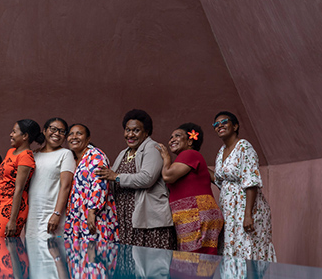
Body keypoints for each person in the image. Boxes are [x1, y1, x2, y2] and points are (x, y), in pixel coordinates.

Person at [96, 109, 175, 250]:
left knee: (150, 265)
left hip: (148, 221)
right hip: (126, 219)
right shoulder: (124, 153)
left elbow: (147, 178)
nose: (130, 134)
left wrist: (116, 176)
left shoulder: (152, 148)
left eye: (136, 130)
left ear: (146, 132)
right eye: (127, 130)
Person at [212, 111, 276, 261]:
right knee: (232, 249)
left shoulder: (244, 147)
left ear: (235, 126)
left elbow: (251, 182)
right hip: (229, 211)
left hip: (245, 208)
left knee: (248, 248)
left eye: (224, 122)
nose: (219, 125)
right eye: (216, 124)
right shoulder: (221, 152)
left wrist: (248, 215)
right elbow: (220, 181)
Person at [156, 123, 224, 254]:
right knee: (199, 260)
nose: (172, 140)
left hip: (196, 214)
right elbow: (214, 178)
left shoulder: (189, 154)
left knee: (193, 260)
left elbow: (168, 176)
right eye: (171, 137)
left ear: (190, 141)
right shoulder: (188, 159)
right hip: (192, 214)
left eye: (178, 136)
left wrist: (166, 157)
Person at [64, 123, 118, 242]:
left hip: (94, 215)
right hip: (77, 215)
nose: (74, 137)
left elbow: (99, 184)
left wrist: (92, 211)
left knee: (95, 253)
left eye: (79, 133)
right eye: (70, 134)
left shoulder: (96, 155)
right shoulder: (73, 158)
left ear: (88, 139)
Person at [0, 119, 42, 237]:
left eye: (14, 132)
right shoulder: (11, 151)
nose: (11, 135)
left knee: (3, 245)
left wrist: (12, 220)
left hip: (10, 208)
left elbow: (19, 189)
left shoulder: (26, 157)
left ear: (25, 136)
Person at [25, 117, 75, 239]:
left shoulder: (65, 154)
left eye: (61, 131)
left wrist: (57, 214)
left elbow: (66, 186)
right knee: (32, 252)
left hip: (50, 215)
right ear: (44, 131)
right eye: (53, 129)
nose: (57, 133)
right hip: (32, 214)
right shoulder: (34, 154)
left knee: (48, 252)